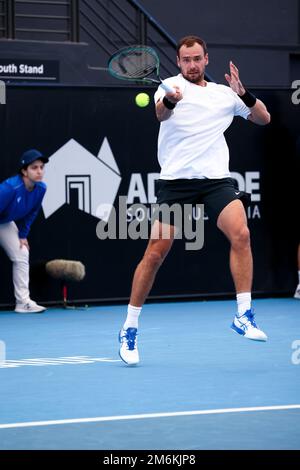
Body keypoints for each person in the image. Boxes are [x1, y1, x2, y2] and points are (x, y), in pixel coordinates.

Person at [119, 35, 271, 365]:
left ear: (206, 60)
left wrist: (243, 92)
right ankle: (129, 328)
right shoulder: (168, 86)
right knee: (155, 254)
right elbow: (160, 114)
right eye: (186, 59)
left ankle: (243, 315)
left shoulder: (223, 94)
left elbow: (263, 118)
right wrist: (171, 100)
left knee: (241, 235)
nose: (191, 64)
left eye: (197, 59)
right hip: (177, 184)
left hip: (216, 181)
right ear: (178, 61)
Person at [0, 149, 48, 313]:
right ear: (24, 171)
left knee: (22, 253)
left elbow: (31, 213)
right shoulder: (9, 188)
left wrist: (22, 235)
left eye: (41, 167)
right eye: (34, 167)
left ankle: (23, 302)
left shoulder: (41, 189)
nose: (39, 171)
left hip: (4, 223)